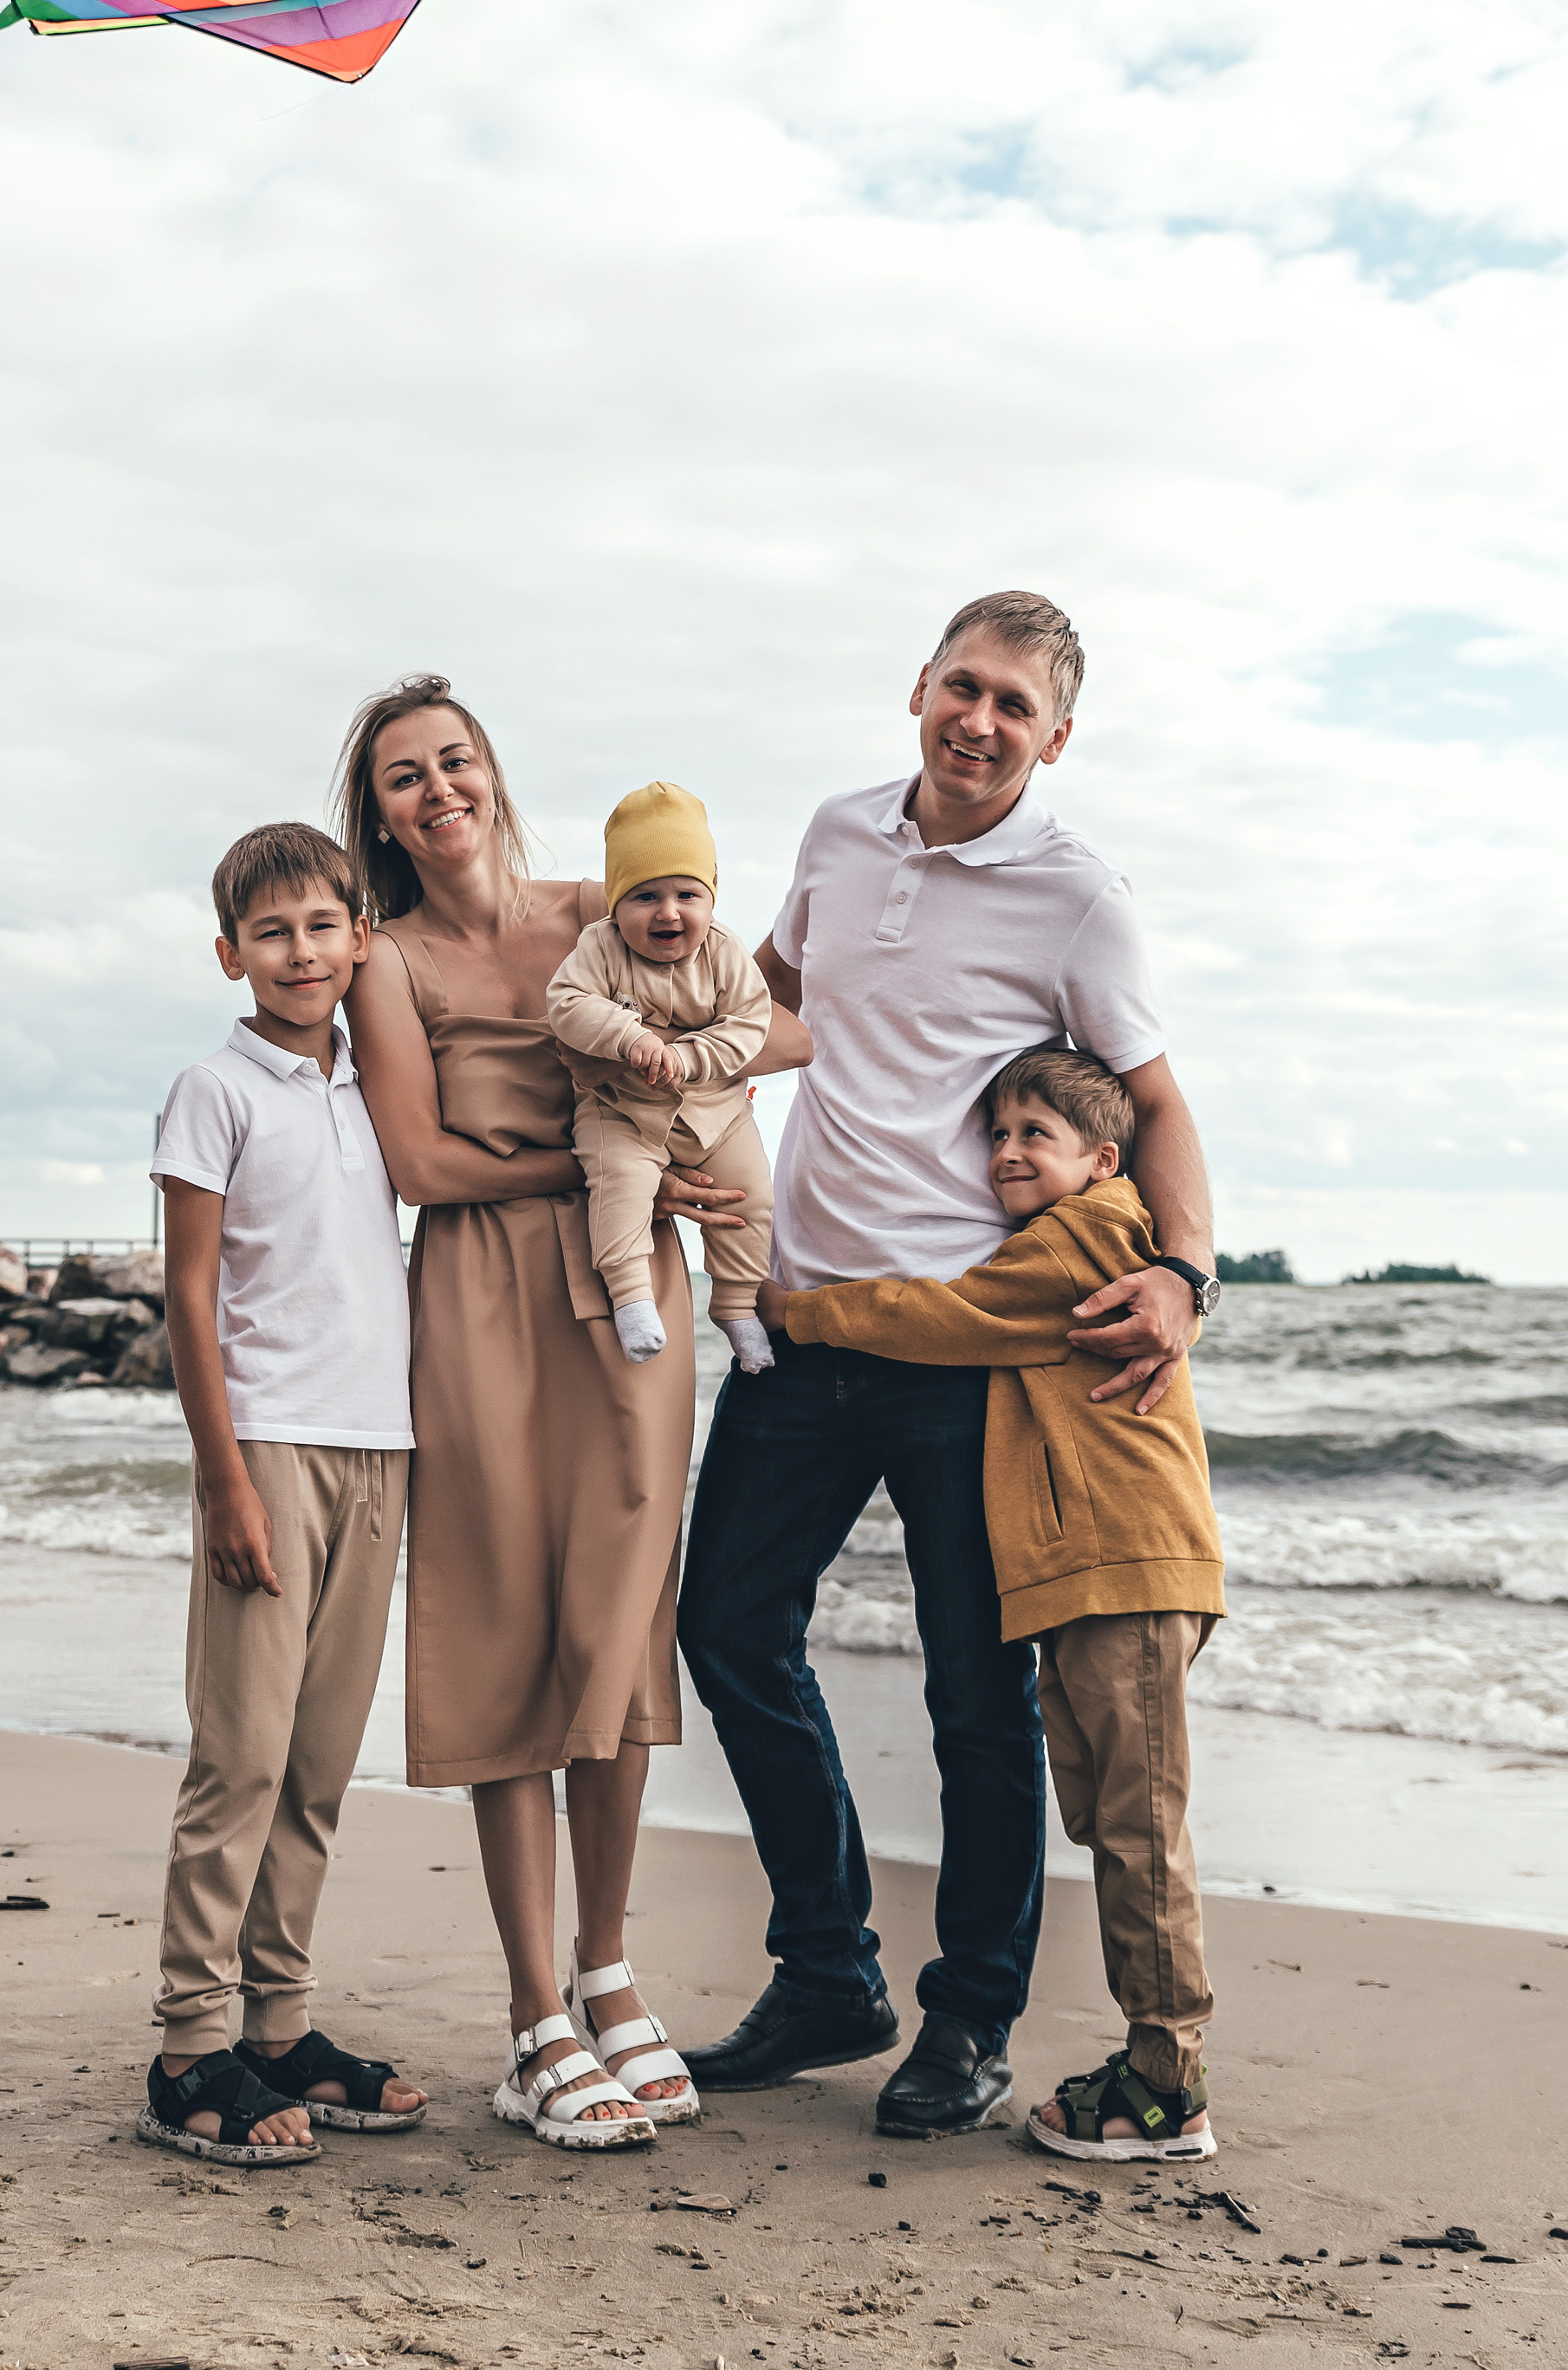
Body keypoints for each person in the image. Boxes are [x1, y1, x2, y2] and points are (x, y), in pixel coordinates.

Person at [677, 590, 1213, 2141]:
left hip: (972, 1353)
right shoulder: (842, 833)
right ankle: (829, 1969)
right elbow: (772, 1001)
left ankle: (967, 2015)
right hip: (796, 1321)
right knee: (725, 1625)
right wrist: (665, 1095)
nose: (979, 724)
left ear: (1057, 739)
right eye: (961, 688)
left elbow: (1159, 1104)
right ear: (918, 687)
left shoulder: (1079, 896)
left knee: (978, 1698)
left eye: (1015, 709)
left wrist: (1183, 1273)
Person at [340, 676, 809, 2150]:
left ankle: (611, 1975)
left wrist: (689, 1116)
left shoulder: (601, 910)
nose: (439, 789)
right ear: (385, 809)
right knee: (502, 1633)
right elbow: (417, 1165)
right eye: (406, 775)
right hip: (480, 1291)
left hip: (630, 1305)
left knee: (616, 1626)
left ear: (492, 772)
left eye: (457, 760)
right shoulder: (384, 958)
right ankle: (535, 2015)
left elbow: (778, 1023)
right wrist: (609, 1174)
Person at [785, 1041, 1223, 2160]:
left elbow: (946, 1315)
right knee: (1105, 1815)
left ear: (1103, 1157)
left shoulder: (1085, 1240)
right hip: (1085, 1577)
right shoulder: (1055, 1234)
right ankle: (1151, 2064)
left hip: (1128, 1571)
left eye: (1037, 1133)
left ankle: (1169, 2088)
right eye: (998, 1134)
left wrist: (802, 1311)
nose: (1008, 1152)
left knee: (1140, 1829)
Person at [139, 821, 428, 2170]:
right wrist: (224, 1480)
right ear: (229, 954)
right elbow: (188, 1294)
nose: (302, 952)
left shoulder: (379, 1091)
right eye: (272, 932)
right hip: (268, 1451)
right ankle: (190, 2049)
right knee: (240, 1758)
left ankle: (279, 2027)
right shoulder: (215, 1090)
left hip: (381, 1451)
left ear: (359, 937)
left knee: (316, 1765)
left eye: (324, 926)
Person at [546, 779, 777, 1375]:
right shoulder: (598, 947)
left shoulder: (727, 953)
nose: (668, 911)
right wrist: (631, 1037)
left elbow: (752, 1023)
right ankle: (631, 1298)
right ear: (616, 905)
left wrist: (692, 1055)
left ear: (711, 899)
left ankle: (735, 1303)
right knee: (619, 1188)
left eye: (687, 894)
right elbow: (566, 1003)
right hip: (621, 1110)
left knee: (751, 1196)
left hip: (715, 1112)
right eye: (644, 895)